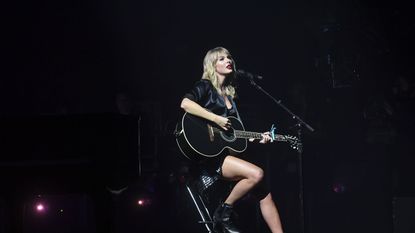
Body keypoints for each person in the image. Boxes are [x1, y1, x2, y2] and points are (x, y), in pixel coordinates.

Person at [180, 47, 284, 233]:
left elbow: (234, 137)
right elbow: (185, 104)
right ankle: (223, 212)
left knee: (264, 193)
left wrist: (258, 139)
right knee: (256, 174)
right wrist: (216, 119)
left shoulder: (230, 96)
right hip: (211, 159)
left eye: (229, 57)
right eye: (221, 58)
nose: (228, 60)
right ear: (212, 65)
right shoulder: (205, 86)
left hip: (228, 156)